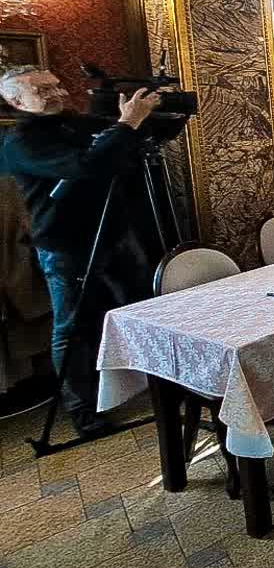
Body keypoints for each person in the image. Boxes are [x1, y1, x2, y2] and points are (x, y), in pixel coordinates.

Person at [0, 66, 163, 436]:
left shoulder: (74, 123)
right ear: (16, 101)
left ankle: (163, 384)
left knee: (143, 308)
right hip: (65, 244)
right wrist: (126, 124)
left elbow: (130, 141)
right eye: (42, 90)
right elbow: (87, 165)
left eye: (56, 85)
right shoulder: (20, 142)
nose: (56, 93)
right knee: (74, 328)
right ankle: (82, 410)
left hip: (115, 231)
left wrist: (154, 113)